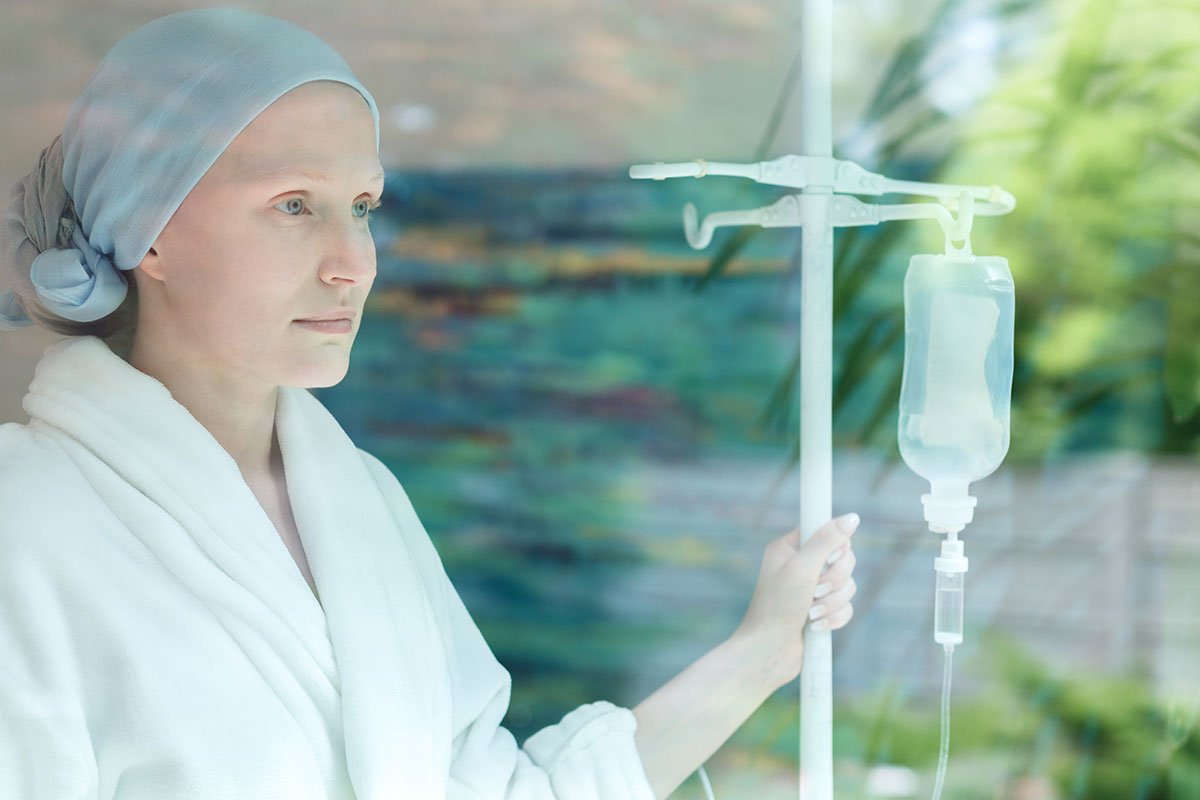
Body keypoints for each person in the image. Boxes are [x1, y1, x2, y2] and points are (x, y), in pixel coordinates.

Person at [0, 8, 859, 800]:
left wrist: (762, 652)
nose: (353, 263)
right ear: (148, 229)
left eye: (362, 207)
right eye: (294, 205)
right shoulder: (26, 524)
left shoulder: (360, 503)